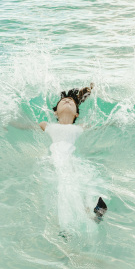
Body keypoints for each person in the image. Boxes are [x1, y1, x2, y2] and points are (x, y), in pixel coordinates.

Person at [22, 84, 108, 227]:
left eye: (72, 102)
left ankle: (91, 212)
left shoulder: (80, 127)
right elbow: (26, 126)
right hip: (55, 157)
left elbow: (106, 126)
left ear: (77, 114)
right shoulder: (47, 125)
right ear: (55, 112)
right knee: (64, 187)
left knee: (78, 182)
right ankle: (71, 223)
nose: (67, 101)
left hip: (72, 159)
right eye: (63, 101)